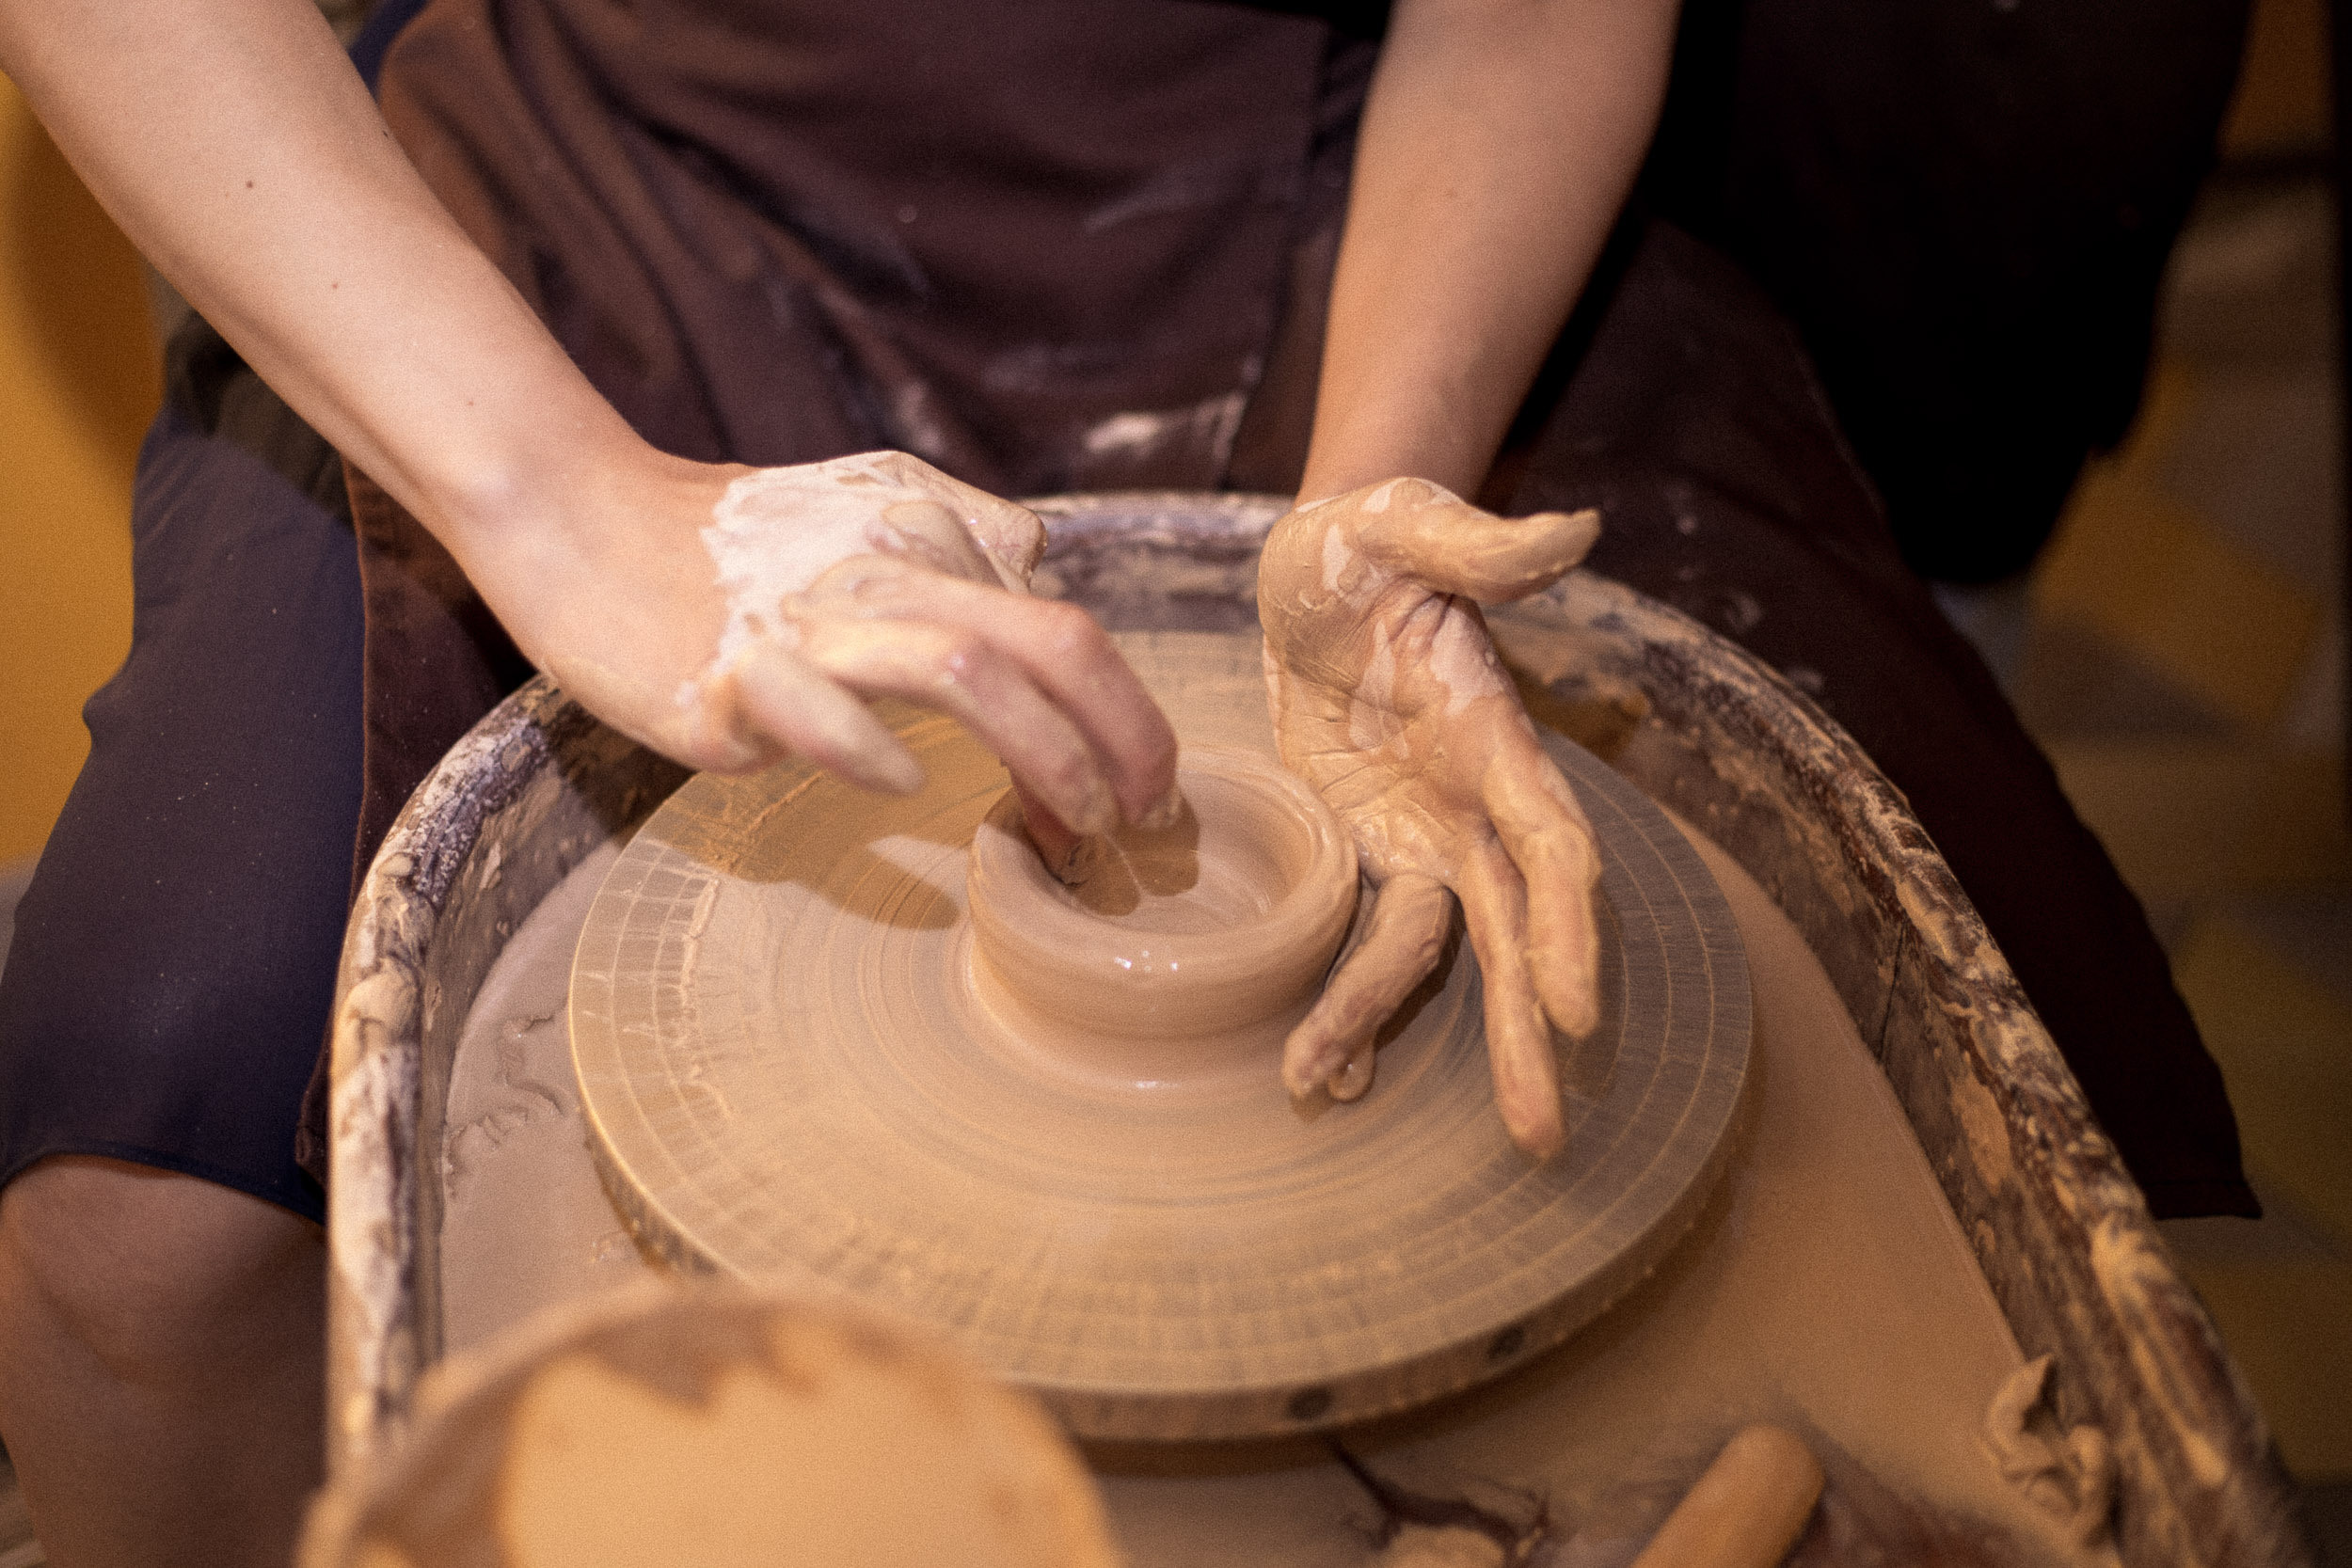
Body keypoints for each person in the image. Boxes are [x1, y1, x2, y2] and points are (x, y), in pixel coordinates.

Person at [0, 0, 2249, 1562]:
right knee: (148, 1192)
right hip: (575, 193)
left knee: (2024, 1072)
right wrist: (568, 506)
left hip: (1353, 190)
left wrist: (1365, 502)